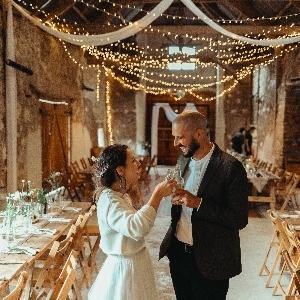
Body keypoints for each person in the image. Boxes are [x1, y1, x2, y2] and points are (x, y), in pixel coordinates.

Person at [159, 111, 249, 300]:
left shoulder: (230, 167)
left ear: (199, 134)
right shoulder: (183, 162)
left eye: (180, 137)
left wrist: (199, 204)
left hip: (212, 260)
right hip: (179, 256)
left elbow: (239, 218)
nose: (176, 143)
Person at [88, 144, 176, 300]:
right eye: (133, 160)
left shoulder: (120, 195)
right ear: (120, 170)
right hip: (124, 271)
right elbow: (136, 227)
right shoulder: (108, 199)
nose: (139, 163)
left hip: (135, 263)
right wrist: (157, 194)